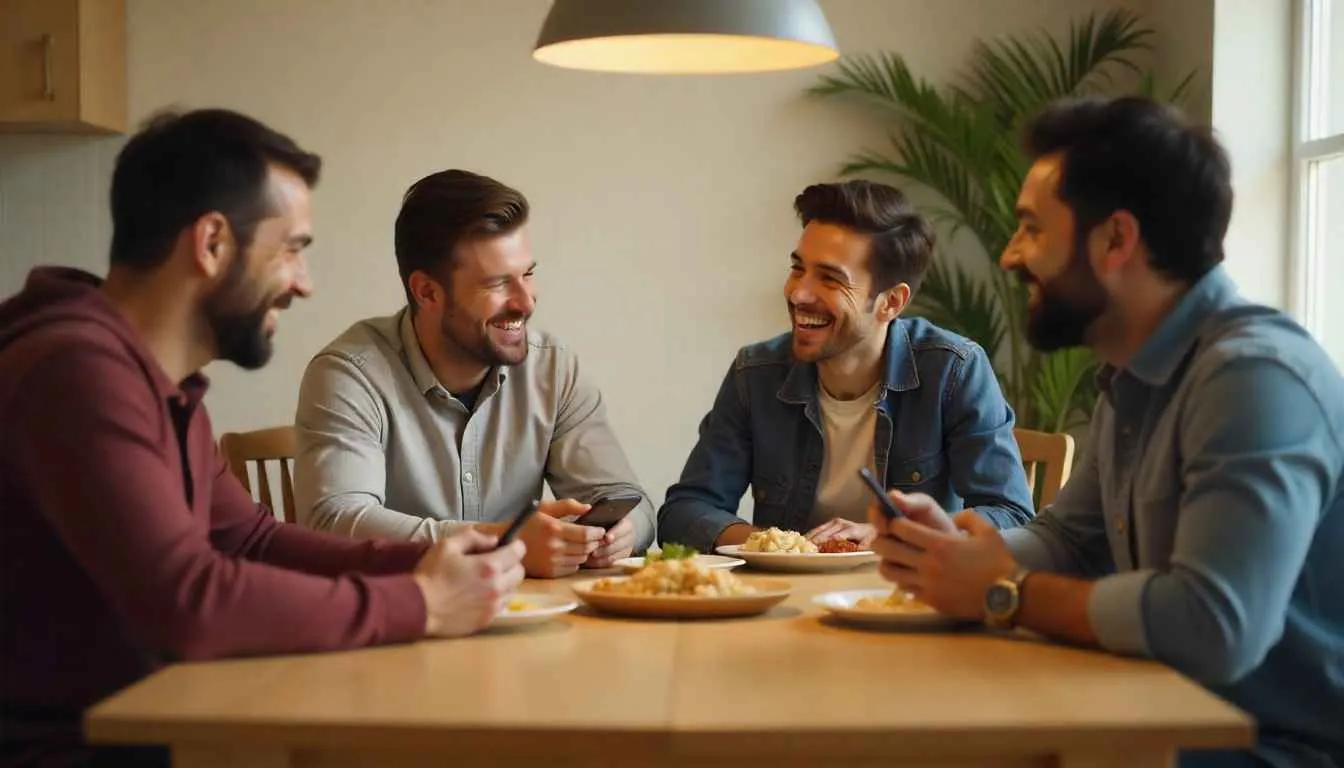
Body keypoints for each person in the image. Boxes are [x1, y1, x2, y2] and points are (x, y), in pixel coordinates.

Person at [0, 110, 526, 768]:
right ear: (213, 243)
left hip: (156, 728)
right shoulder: (74, 369)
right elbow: (189, 601)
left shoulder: (155, 377)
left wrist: (430, 562)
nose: (304, 282)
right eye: (292, 249)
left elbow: (249, 540)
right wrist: (419, 603)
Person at [867, 96, 1343, 768]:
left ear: (1117, 240)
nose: (1010, 255)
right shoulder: (1135, 369)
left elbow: (1216, 626)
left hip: (1270, 745)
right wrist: (958, 550)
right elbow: (1071, 539)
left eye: (1032, 227)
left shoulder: (1253, 379)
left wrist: (1004, 594)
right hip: (1152, 711)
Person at [293, 169, 655, 578]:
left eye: (528, 274)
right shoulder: (349, 375)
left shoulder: (554, 369)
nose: (526, 302)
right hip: (399, 620)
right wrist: (502, 543)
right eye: (498, 283)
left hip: (528, 619)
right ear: (427, 292)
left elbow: (633, 503)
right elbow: (334, 523)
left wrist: (619, 534)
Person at [657, 180, 1034, 554]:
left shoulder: (953, 371)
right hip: (785, 598)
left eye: (830, 279)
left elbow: (1011, 515)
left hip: (904, 597)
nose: (799, 293)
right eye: (798, 268)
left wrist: (892, 533)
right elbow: (684, 512)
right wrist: (777, 546)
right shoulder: (756, 373)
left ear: (891, 302)